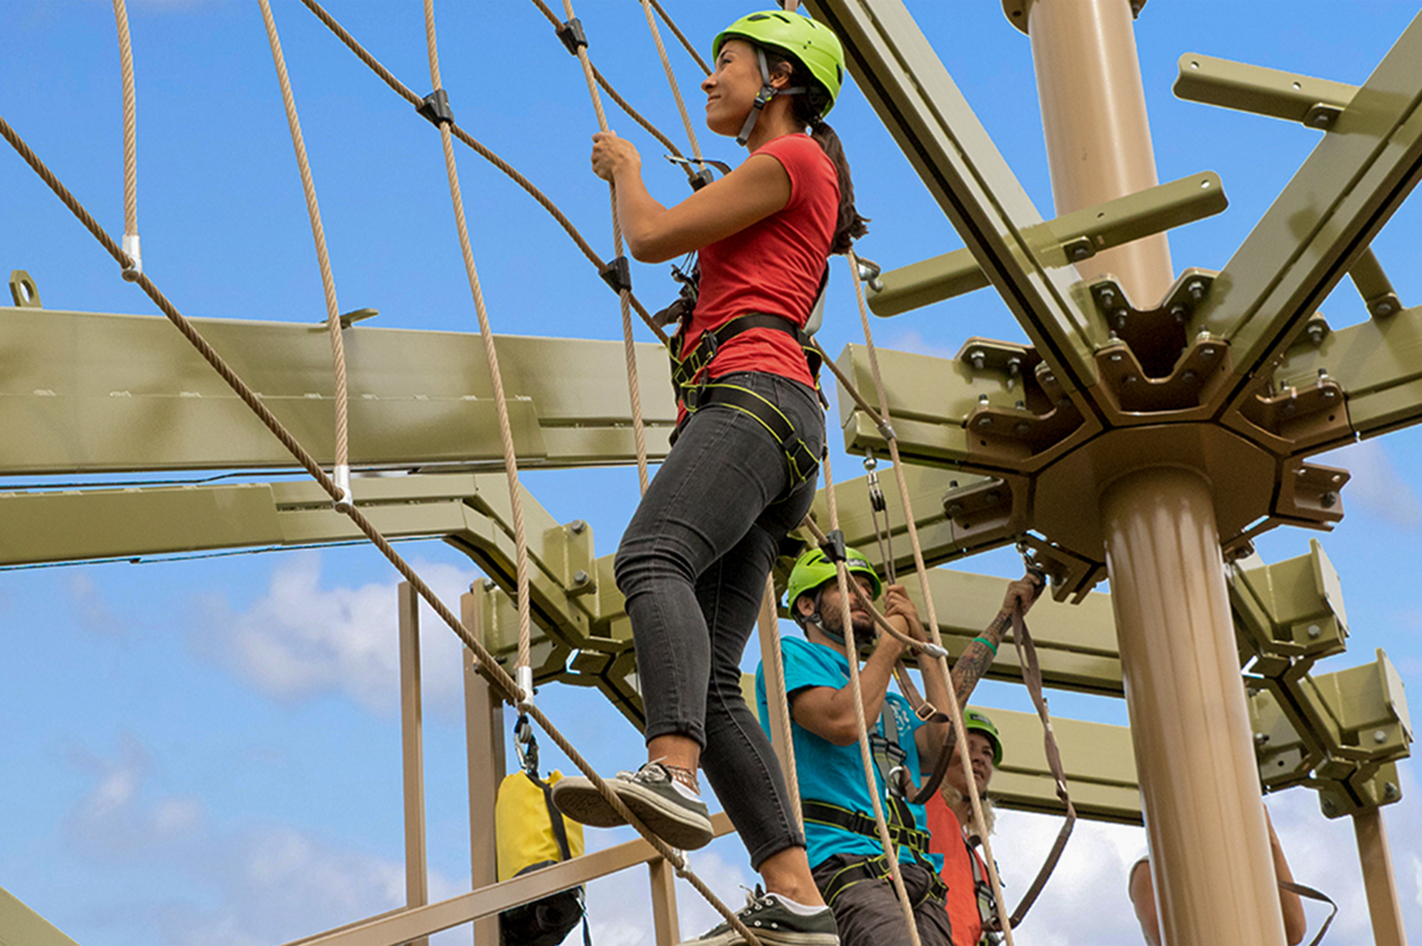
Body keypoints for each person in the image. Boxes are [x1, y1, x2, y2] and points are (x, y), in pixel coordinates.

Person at [551, 11, 867, 944]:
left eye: (723, 64)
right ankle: (799, 894)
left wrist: (628, 173)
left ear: (778, 77)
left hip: (755, 399)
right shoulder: (789, 173)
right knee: (718, 677)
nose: (708, 80)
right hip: (779, 422)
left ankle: (672, 770)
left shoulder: (795, 159)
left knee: (652, 557)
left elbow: (648, 236)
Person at [755, 546, 1039, 946]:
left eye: (867, 592)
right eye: (846, 589)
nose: (862, 599)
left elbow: (942, 747)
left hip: (919, 879)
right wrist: (892, 641)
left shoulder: (889, 701)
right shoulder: (791, 656)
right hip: (846, 864)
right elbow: (843, 721)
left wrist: (921, 646)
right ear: (807, 605)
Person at [1127, 810, 1308, 945]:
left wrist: (1268, 837)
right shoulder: (1151, 870)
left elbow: (1293, 931)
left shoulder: (1246, 869)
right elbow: (1170, 936)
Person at [924, 710, 1006, 946]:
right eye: (968, 747)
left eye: (987, 753)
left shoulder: (980, 865)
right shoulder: (922, 809)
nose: (980, 758)